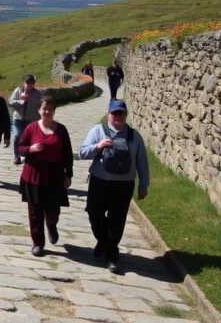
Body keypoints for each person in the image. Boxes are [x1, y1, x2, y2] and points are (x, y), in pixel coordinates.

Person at [78, 99, 150, 273]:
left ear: (126, 115)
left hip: (124, 185)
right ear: (109, 114)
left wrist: (144, 184)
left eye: (121, 113)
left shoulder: (134, 136)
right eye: (114, 113)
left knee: (117, 221)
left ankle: (111, 255)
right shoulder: (98, 131)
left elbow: (142, 161)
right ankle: (103, 241)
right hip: (99, 181)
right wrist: (98, 145)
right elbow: (82, 153)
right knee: (95, 215)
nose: (118, 116)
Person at [16, 96, 72, 257]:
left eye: (50, 109)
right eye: (44, 109)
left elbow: (67, 153)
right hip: (33, 175)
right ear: (39, 111)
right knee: (35, 212)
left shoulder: (61, 130)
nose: (47, 111)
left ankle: (51, 224)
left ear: (54, 111)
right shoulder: (31, 128)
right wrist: (31, 149)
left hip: (54, 176)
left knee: (53, 210)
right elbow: (20, 148)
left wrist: (68, 174)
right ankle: (38, 243)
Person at [8, 74, 43, 165]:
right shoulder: (18, 90)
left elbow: (42, 106)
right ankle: (17, 156)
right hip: (19, 119)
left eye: (31, 83)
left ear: (34, 84)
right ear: (24, 83)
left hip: (32, 120)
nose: (28, 85)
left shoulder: (38, 94)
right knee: (17, 136)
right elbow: (10, 102)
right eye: (27, 83)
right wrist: (21, 101)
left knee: (30, 139)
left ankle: (28, 155)